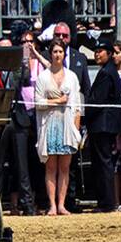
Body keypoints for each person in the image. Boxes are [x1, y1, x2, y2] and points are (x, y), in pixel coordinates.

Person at [35, 40, 83, 216]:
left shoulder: (72, 77)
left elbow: (77, 105)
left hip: (67, 126)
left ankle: (61, 204)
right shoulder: (43, 77)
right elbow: (38, 102)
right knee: (50, 168)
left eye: (60, 52)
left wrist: (76, 130)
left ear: (64, 54)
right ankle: (52, 205)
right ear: (50, 54)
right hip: (49, 125)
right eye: (55, 51)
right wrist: (57, 101)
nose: (57, 55)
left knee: (64, 168)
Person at [85, 38, 121, 212]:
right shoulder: (109, 71)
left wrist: (86, 114)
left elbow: (97, 101)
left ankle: (107, 202)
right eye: (96, 51)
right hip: (105, 123)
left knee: (103, 162)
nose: (97, 53)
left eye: (100, 51)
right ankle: (105, 201)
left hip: (103, 123)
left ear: (109, 54)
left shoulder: (105, 73)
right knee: (103, 161)